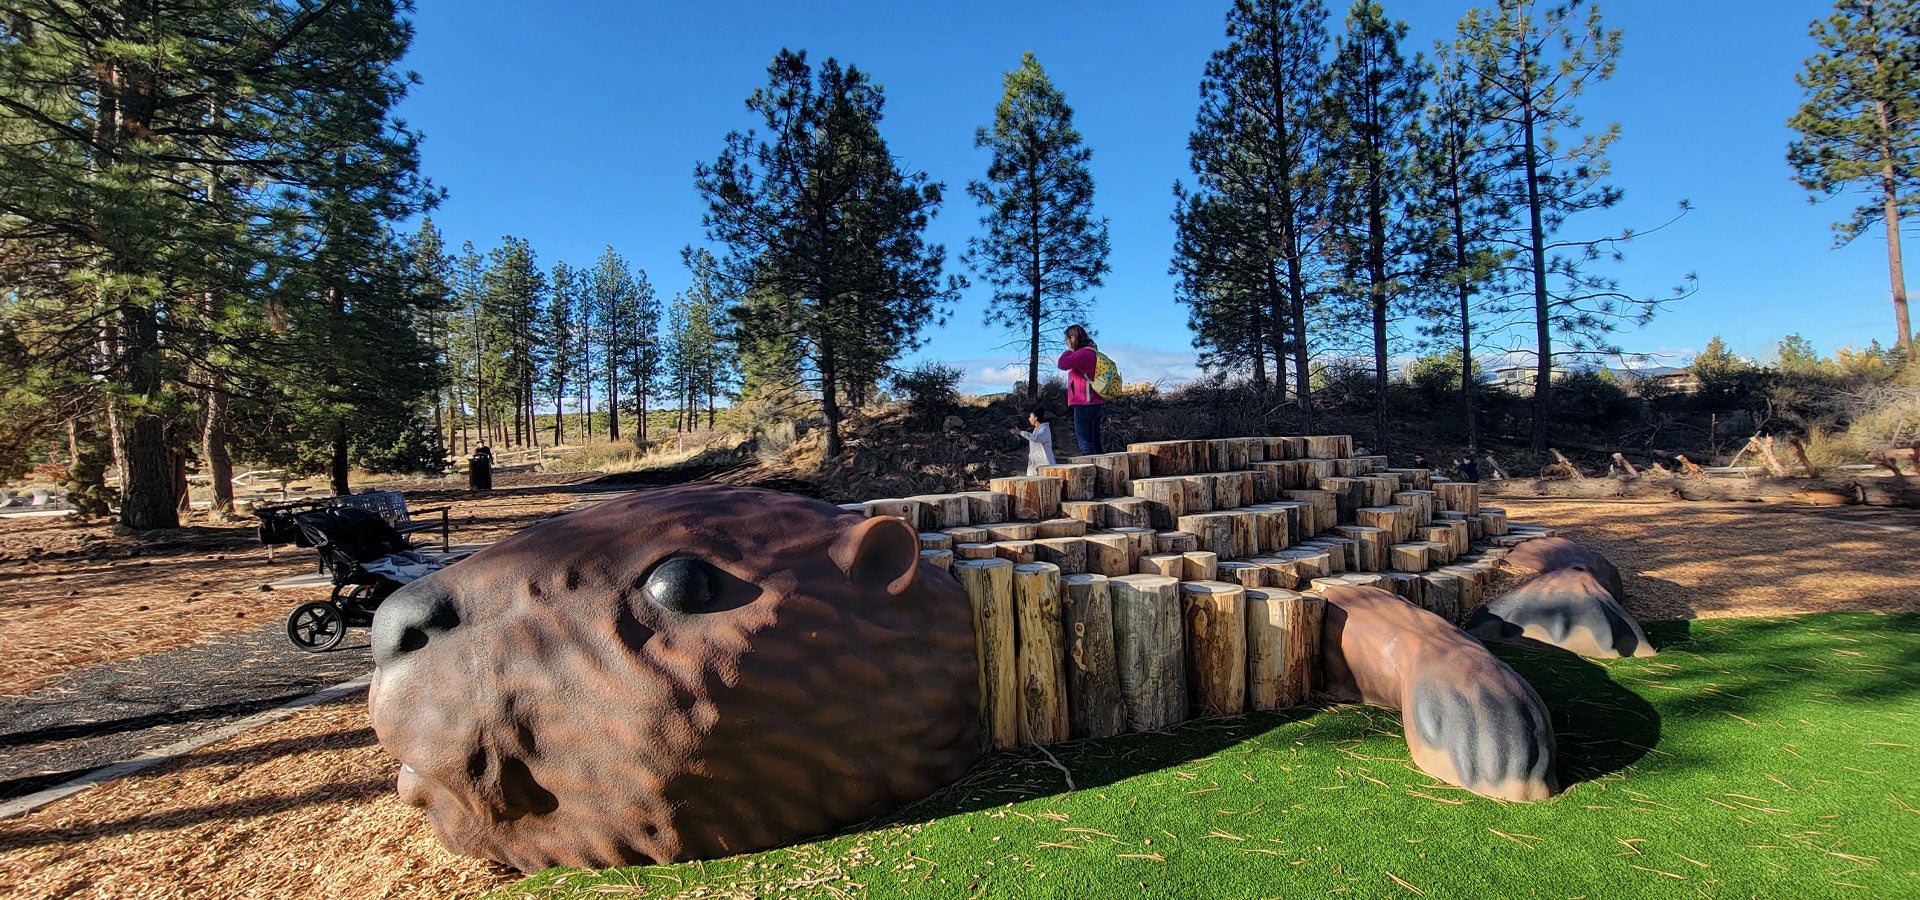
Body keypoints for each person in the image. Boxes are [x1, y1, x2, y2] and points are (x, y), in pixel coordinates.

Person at [1055, 324, 1105, 456]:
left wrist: (1070, 351)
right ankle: (1105, 473)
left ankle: (1092, 474)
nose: (1066, 343)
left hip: (1084, 403)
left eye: (1067, 339)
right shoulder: (1093, 352)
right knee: (1095, 442)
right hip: (1096, 403)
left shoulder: (1083, 354)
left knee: (1085, 445)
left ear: (1073, 338)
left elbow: (1062, 363)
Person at [1008, 409, 1057, 476]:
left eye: (1031, 417)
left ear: (1036, 418)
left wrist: (1020, 432)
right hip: (1035, 464)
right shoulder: (1036, 430)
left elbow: (1036, 438)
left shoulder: (1045, 429)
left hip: (1046, 464)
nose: (1029, 419)